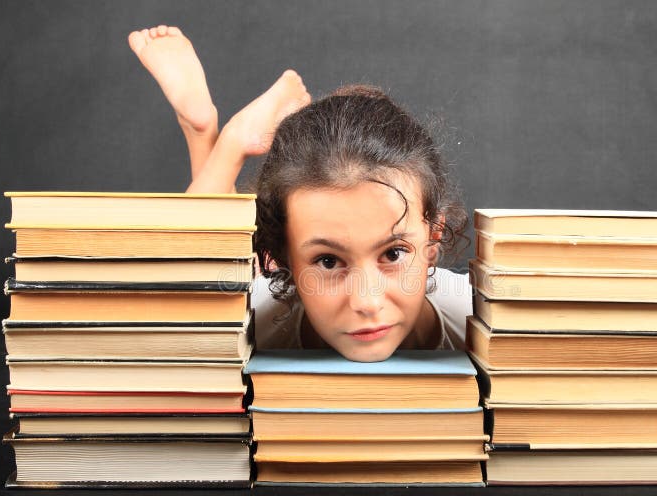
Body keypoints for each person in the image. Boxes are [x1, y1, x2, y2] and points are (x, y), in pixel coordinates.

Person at [128, 25, 471, 362]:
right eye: (328, 261)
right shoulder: (267, 319)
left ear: (433, 236)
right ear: (284, 258)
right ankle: (206, 135)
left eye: (394, 254)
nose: (367, 302)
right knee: (218, 299)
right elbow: (175, 324)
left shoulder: (481, 322)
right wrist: (229, 146)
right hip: (264, 284)